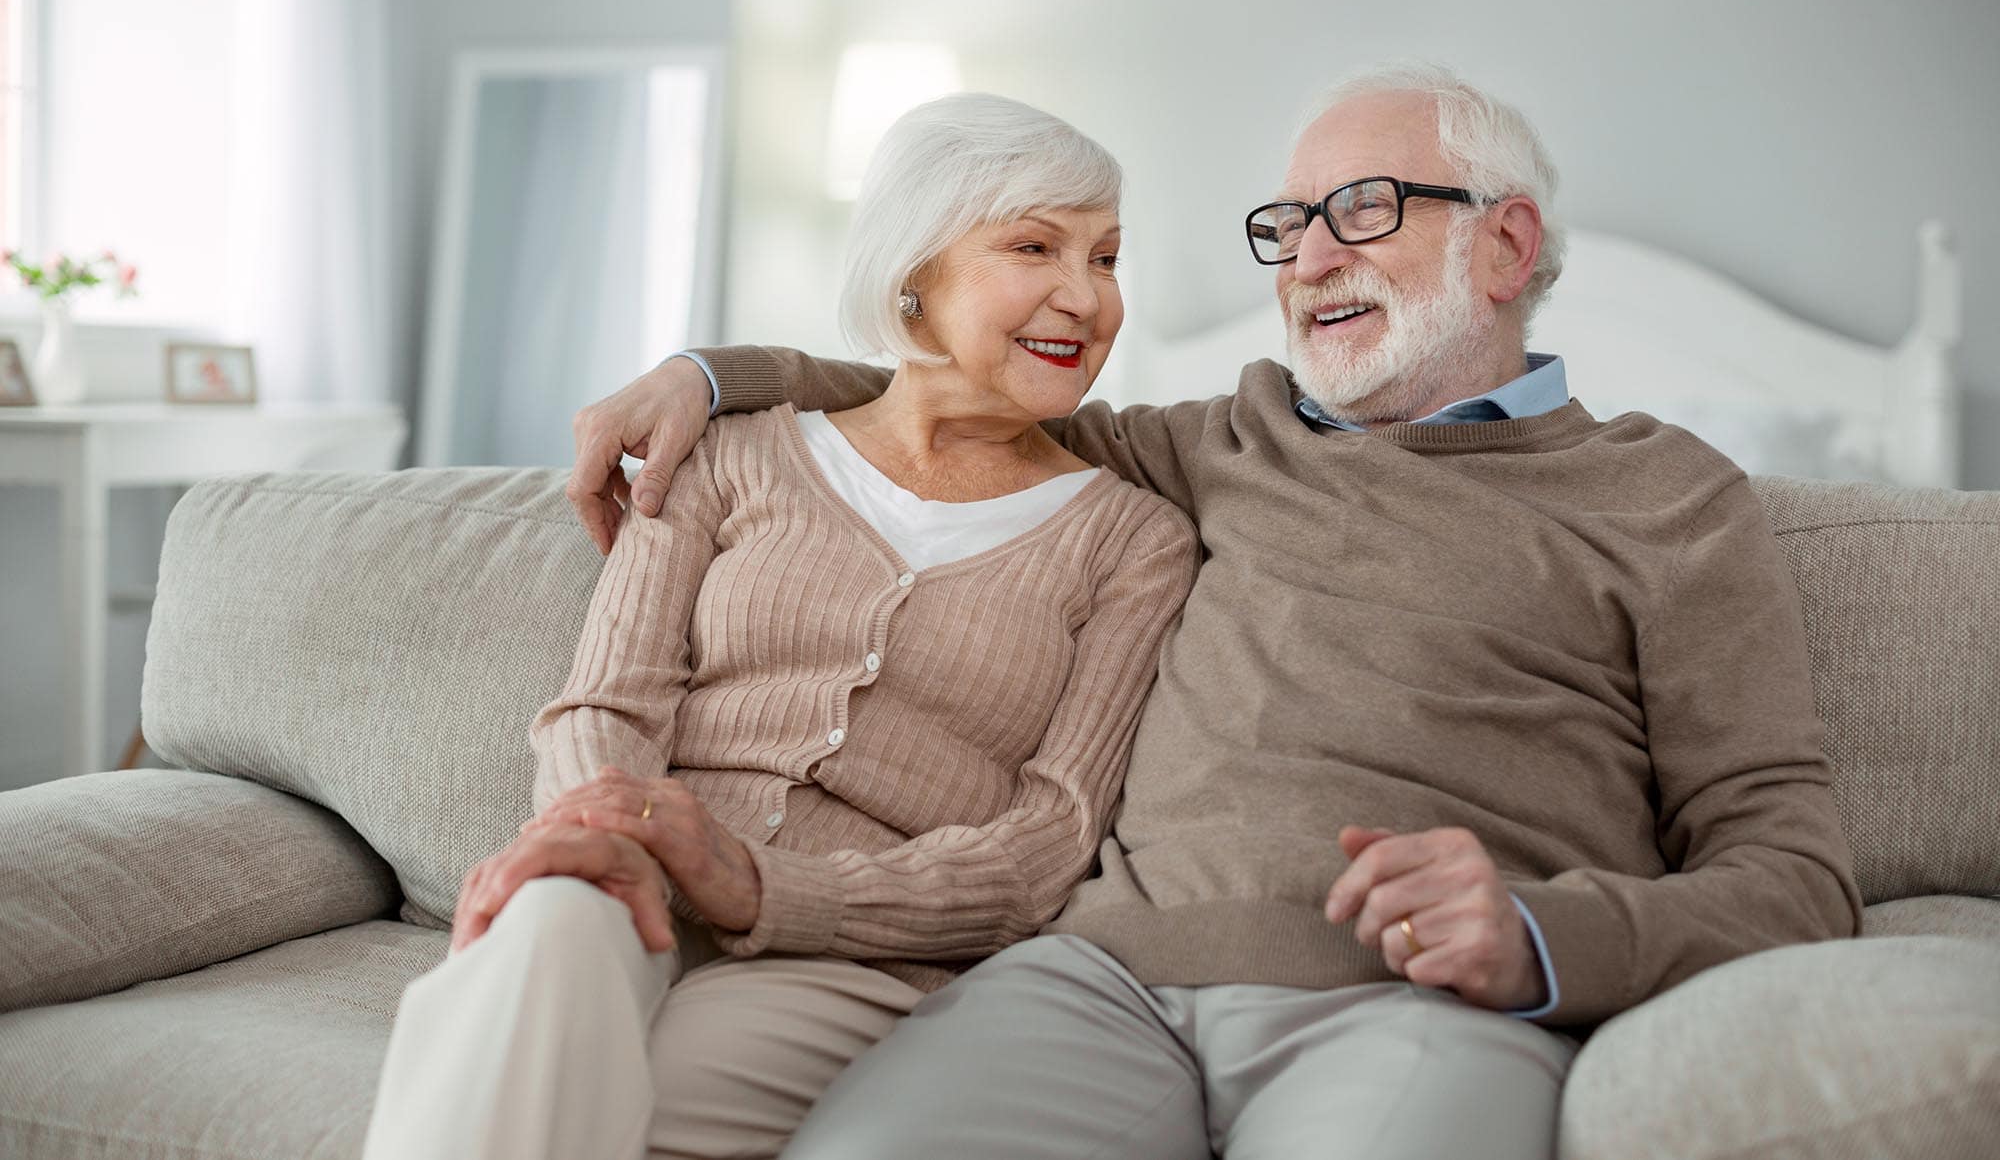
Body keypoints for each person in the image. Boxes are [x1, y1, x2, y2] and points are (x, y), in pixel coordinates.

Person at [567, 63, 1862, 1160]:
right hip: (1098, 976)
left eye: (1361, 210)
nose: (1307, 260)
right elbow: (945, 391)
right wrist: (711, 372)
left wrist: (1539, 932)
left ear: (1507, 246)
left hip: (1412, 1005)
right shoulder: (1221, 440)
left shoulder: (1667, 497)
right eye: (1287, 224)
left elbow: (1794, 876)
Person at [360, 93, 1198, 1160]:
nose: (1083, 295)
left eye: (1108, 257)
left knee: (622, 1095)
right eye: (1033, 245)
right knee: (550, 928)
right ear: (915, 274)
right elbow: (608, 701)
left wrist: (763, 884)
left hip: (859, 957)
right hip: (635, 874)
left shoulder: (1131, 538)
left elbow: (1044, 848)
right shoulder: (732, 451)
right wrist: (595, 826)